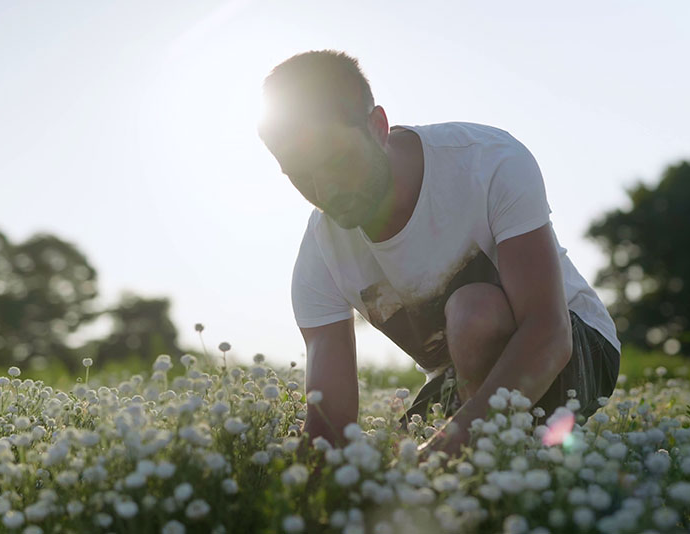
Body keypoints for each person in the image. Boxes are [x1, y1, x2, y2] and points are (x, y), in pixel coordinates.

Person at [257, 50, 621, 457]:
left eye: (339, 160)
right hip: (460, 382)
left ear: (378, 127)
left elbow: (548, 334)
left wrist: (445, 448)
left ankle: (500, 473)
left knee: (473, 311)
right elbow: (331, 422)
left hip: (574, 343)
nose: (327, 193)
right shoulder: (320, 255)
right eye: (301, 176)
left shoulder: (488, 161)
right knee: (387, 463)